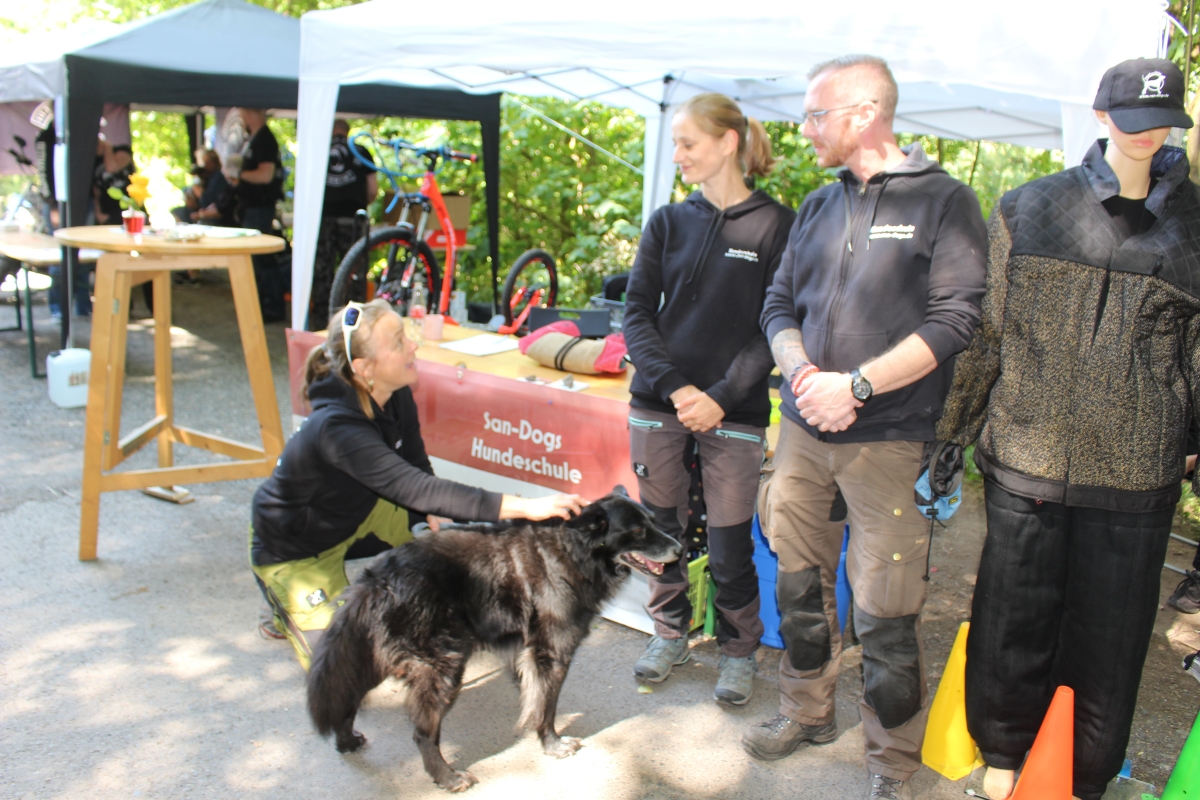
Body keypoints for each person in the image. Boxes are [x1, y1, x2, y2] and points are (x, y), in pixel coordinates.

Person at [935, 58, 1200, 800]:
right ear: (1101, 116)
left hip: (1136, 478)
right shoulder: (1030, 208)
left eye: (1161, 123)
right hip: (1026, 459)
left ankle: (1082, 779)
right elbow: (989, 335)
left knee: (1109, 643)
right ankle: (1003, 761)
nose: (1146, 135)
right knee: (1009, 622)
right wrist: (950, 434)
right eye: (1131, 119)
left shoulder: (1197, 229)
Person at [749, 55, 987, 800]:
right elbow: (777, 303)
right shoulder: (819, 205)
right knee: (797, 585)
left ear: (862, 115)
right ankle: (806, 712)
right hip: (802, 435)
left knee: (887, 614)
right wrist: (803, 377)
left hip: (889, 441)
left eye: (816, 114)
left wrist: (855, 386)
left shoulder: (946, 201)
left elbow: (957, 320)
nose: (805, 127)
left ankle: (890, 764)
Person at [251, 299, 586, 668]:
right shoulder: (336, 429)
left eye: (406, 335)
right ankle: (284, 601)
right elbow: (415, 487)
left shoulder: (394, 393)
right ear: (365, 369)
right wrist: (527, 506)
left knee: (448, 548)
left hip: (358, 512)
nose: (413, 345)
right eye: (398, 342)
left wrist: (432, 512)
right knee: (345, 666)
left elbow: (415, 466)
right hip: (295, 546)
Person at [622, 93, 795, 705]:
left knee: (728, 544)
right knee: (661, 531)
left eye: (687, 143)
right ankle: (667, 633)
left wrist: (720, 397)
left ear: (728, 143)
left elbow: (775, 325)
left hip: (736, 410)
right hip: (658, 403)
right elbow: (635, 314)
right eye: (674, 143)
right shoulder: (668, 221)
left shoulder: (777, 224)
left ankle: (739, 650)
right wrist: (676, 387)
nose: (678, 155)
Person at [310, 120, 378, 331]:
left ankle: (322, 322)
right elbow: (372, 189)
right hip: (353, 219)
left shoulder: (319, 149)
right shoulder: (361, 151)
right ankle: (355, 323)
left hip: (324, 219)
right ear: (348, 132)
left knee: (323, 271)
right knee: (354, 272)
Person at [232, 108, 286, 321]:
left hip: (259, 208)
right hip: (252, 206)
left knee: (262, 258)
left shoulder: (264, 139)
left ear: (250, 113)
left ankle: (272, 306)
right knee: (257, 259)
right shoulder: (254, 139)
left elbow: (265, 175)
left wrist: (239, 174)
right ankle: (262, 305)